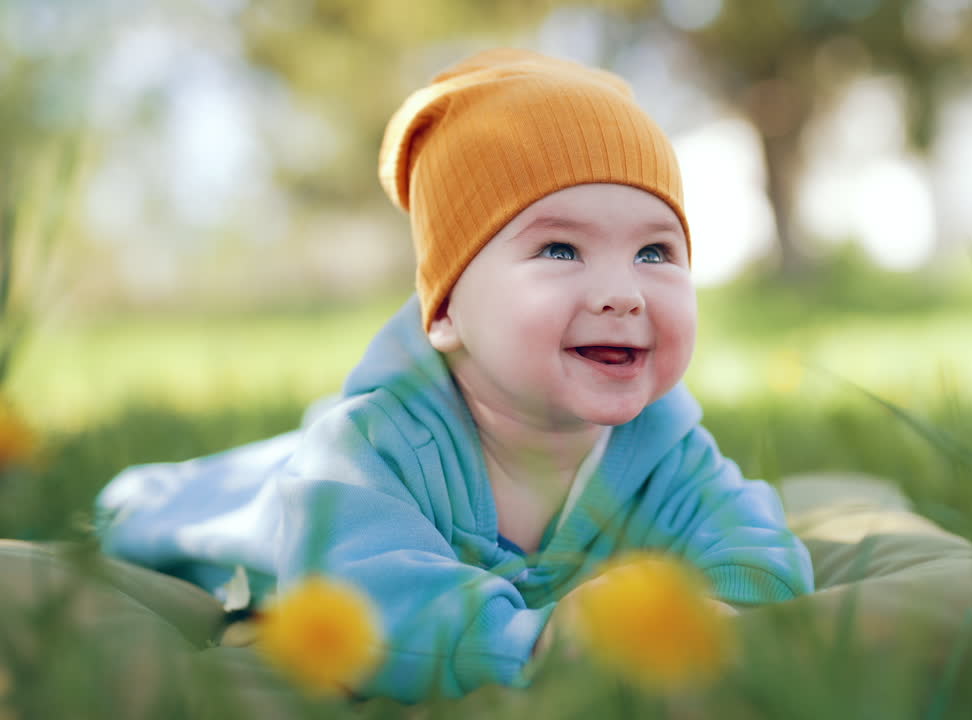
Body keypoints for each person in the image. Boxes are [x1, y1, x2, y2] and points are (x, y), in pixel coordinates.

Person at [94, 48, 815, 704]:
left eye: (655, 253)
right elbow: (375, 610)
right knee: (184, 500)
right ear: (444, 314)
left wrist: (720, 614)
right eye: (561, 249)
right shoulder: (369, 452)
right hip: (266, 504)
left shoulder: (667, 450)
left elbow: (759, 553)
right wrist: (544, 641)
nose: (622, 291)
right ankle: (148, 493)